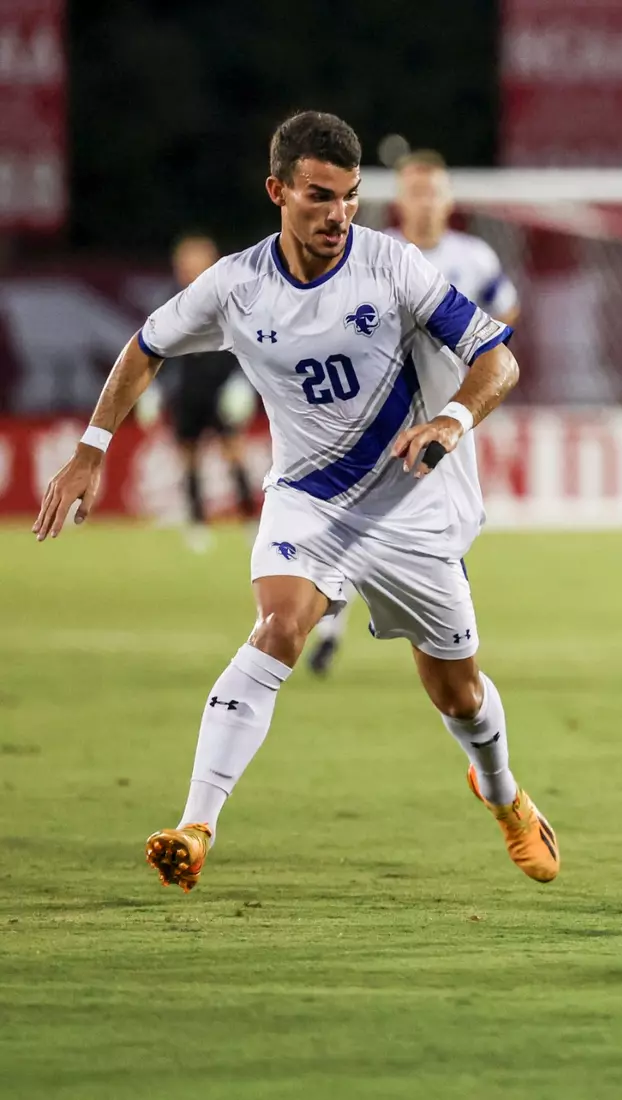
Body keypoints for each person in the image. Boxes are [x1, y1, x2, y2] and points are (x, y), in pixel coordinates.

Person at [32, 111, 559, 892]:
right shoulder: (237, 286)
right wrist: (91, 449)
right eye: (319, 197)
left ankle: (504, 792)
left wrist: (449, 419)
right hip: (309, 502)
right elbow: (145, 347)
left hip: (410, 506)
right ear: (278, 190)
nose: (337, 215)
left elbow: (497, 356)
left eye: (348, 197)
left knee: (459, 691)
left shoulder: (393, 266)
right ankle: (196, 826)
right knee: (279, 627)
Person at [307, 149, 521, 675]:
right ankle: (334, 624)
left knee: (439, 524)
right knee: (359, 516)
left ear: (448, 200)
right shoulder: (375, 254)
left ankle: (443, 640)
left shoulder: (474, 257)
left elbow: (506, 311)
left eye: (433, 191)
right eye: (414, 191)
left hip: (447, 414)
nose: (424, 202)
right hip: (380, 412)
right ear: (399, 201)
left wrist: (472, 364)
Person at [155, 233, 261, 550]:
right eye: (186, 263)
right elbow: (159, 349)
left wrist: (242, 382)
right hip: (188, 392)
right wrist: (156, 389)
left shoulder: (229, 301)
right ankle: (197, 524)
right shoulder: (170, 302)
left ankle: (250, 521)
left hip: (221, 387)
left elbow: (250, 344)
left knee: (234, 455)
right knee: (189, 459)